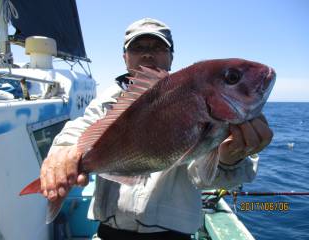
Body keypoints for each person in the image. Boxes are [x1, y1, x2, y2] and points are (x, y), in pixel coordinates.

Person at [41, 18, 273, 240]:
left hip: (172, 235)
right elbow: (80, 129)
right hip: (110, 232)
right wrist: (65, 151)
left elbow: (203, 176)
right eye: (138, 47)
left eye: (158, 47)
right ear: (125, 57)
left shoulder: (189, 97)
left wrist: (228, 161)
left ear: (171, 57)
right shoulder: (106, 102)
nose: (148, 53)